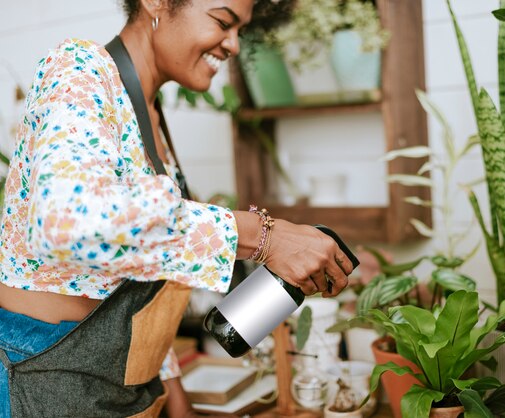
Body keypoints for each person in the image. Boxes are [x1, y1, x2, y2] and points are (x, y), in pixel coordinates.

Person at [0, 0, 355, 416]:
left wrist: (177, 399)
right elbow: (67, 221)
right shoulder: (79, 67)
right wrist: (261, 236)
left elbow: (141, 282)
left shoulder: (151, 114)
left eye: (240, 29)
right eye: (223, 22)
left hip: (126, 386)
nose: (234, 45)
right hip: (49, 373)